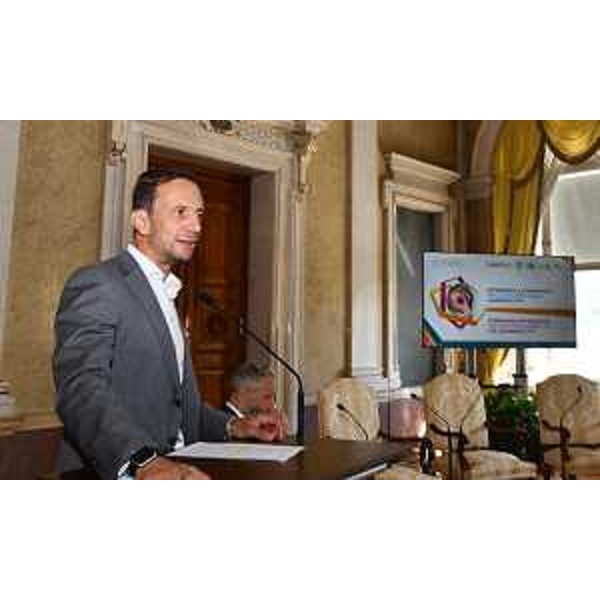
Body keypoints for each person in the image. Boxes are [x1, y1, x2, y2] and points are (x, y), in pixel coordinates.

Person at [53, 168, 287, 480]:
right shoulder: (99, 283)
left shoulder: (168, 296)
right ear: (142, 221)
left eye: (199, 214)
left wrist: (236, 425)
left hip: (182, 467)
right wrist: (142, 461)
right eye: (181, 212)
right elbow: (80, 389)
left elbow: (179, 408)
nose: (197, 226)